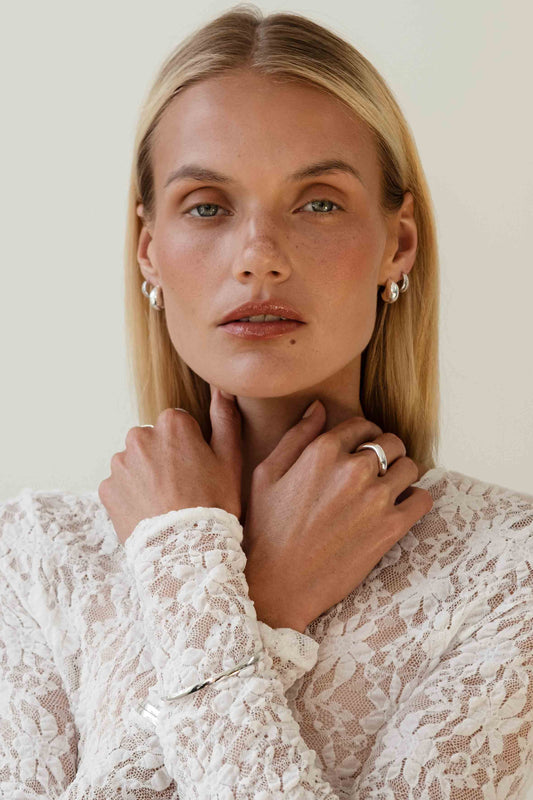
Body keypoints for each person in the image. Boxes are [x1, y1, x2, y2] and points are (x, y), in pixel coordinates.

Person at [1, 5, 532, 798]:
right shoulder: (33, 557)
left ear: (398, 242)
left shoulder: (509, 570)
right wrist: (254, 599)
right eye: (207, 206)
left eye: (317, 202)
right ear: (149, 248)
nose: (258, 258)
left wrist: (203, 586)